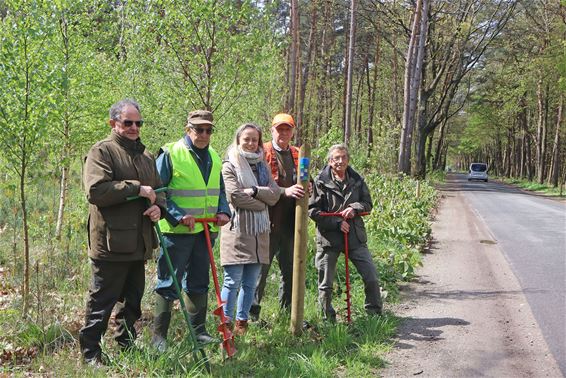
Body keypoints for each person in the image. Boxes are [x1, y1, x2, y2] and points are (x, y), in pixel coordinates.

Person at [80, 99, 165, 365]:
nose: (134, 127)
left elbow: (159, 193)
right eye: (128, 122)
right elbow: (96, 192)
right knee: (102, 301)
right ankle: (90, 353)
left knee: (133, 301)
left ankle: (126, 345)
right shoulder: (102, 152)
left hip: (138, 243)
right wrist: (135, 188)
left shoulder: (146, 155)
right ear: (113, 123)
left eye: (138, 123)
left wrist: (157, 209)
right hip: (111, 243)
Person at [152, 110, 231, 350]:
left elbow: (219, 190)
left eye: (208, 130)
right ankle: (159, 338)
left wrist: (224, 211)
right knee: (169, 282)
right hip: (176, 233)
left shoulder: (215, 157)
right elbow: (158, 191)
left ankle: (198, 332)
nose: (204, 134)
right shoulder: (170, 154)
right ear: (188, 129)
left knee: (199, 281)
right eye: (199, 129)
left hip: (205, 231)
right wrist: (177, 216)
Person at [308, 144, 383, 321]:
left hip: (355, 236)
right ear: (330, 161)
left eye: (343, 157)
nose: (340, 161)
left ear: (348, 160)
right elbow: (313, 210)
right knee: (325, 284)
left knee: (371, 276)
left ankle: (374, 314)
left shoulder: (357, 180)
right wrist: (336, 222)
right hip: (329, 238)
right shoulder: (319, 181)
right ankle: (327, 318)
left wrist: (354, 209)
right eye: (336, 158)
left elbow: (368, 204)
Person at [220, 123, 280, 335]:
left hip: (259, 234)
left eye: (254, 139)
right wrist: (262, 202)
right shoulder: (229, 165)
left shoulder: (263, 166)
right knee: (232, 281)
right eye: (246, 139)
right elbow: (235, 197)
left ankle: (241, 324)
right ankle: (225, 324)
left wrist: (255, 191)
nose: (251, 143)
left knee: (251, 283)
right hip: (237, 231)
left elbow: (275, 194)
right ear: (238, 140)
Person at [249, 113, 305, 321]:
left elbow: (307, 184)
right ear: (272, 130)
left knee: (291, 270)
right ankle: (251, 315)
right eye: (279, 129)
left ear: (292, 132)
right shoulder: (260, 151)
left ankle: (287, 313)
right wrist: (285, 191)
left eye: (287, 129)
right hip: (266, 222)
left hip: (292, 224)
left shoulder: (299, 154)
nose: (283, 133)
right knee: (259, 270)